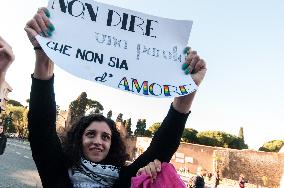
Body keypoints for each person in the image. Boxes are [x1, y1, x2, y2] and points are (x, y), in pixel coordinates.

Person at [25, 8, 207, 188]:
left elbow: (162, 146)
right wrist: (43, 56)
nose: (98, 141)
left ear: (112, 145)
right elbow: (41, 127)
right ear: (78, 140)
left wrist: (188, 89)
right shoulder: (57, 171)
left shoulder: (126, 180)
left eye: (105, 137)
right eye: (90, 134)